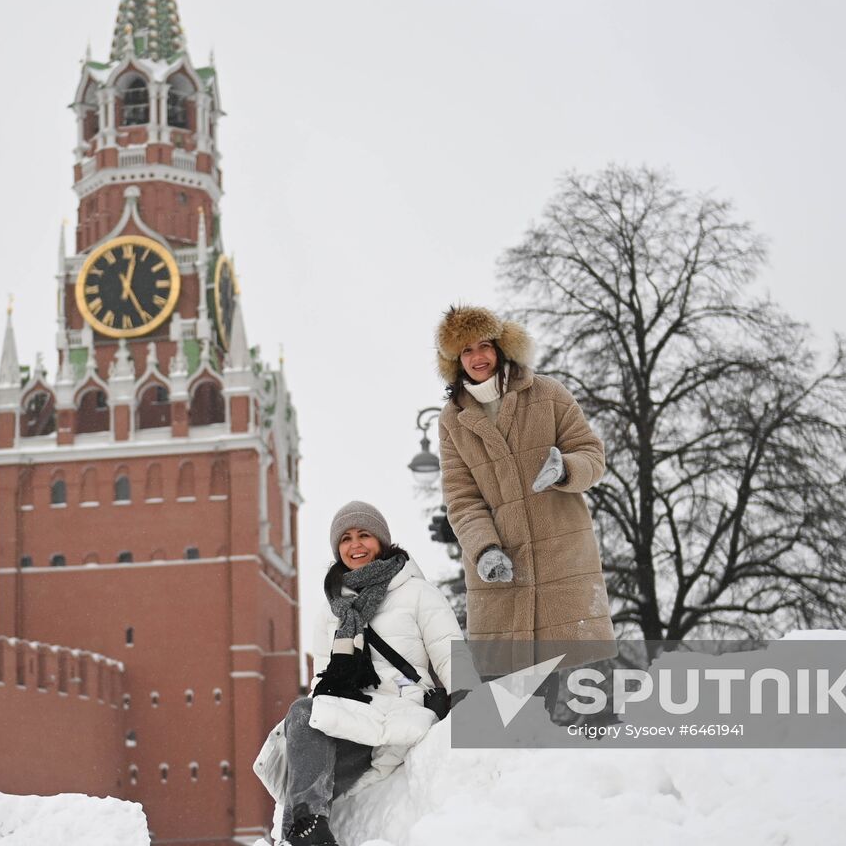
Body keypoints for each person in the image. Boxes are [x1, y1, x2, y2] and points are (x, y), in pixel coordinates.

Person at [253, 500, 463, 846]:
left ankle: (305, 833)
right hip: (351, 719)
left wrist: (468, 699)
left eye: (364, 535)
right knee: (304, 715)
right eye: (346, 538)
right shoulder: (331, 612)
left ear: (381, 541)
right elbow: (323, 685)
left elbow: (450, 649)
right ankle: (305, 830)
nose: (355, 545)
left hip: (401, 712)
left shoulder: (416, 593)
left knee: (305, 717)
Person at [434, 304, 616, 679]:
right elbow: (462, 498)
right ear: (455, 360)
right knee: (517, 703)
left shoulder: (548, 393)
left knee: (588, 689)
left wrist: (566, 468)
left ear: (500, 347)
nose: (477, 357)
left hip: (562, 561)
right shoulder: (452, 421)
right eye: (466, 350)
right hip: (503, 571)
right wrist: (484, 549)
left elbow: (592, 454)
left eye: (483, 345)